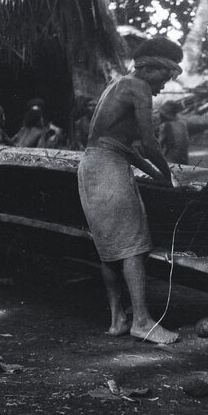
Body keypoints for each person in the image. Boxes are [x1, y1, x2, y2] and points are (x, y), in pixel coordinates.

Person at [77, 36, 183, 344]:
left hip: (93, 164)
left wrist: (158, 174)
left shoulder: (118, 83)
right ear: (151, 68)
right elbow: (149, 144)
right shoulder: (139, 88)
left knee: (110, 247)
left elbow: (127, 147)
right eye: (165, 76)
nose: (165, 85)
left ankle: (117, 319)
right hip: (108, 166)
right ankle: (142, 320)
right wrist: (171, 176)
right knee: (134, 245)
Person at [155, 100, 191, 165]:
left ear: (163, 115)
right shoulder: (182, 124)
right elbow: (186, 142)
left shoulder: (165, 126)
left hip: (172, 160)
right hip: (184, 159)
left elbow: (159, 145)